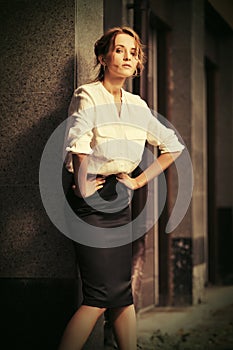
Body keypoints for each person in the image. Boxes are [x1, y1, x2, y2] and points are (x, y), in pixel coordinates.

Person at [59, 26, 184, 350]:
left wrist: (140, 180)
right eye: (120, 50)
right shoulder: (87, 94)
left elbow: (172, 146)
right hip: (89, 198)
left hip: (120, 196)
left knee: (121, 294)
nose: (129, 56)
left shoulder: (138, 105)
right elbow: (79, 141)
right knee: (99, 297)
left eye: (134, 52)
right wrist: (83, 183)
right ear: (103, 57)